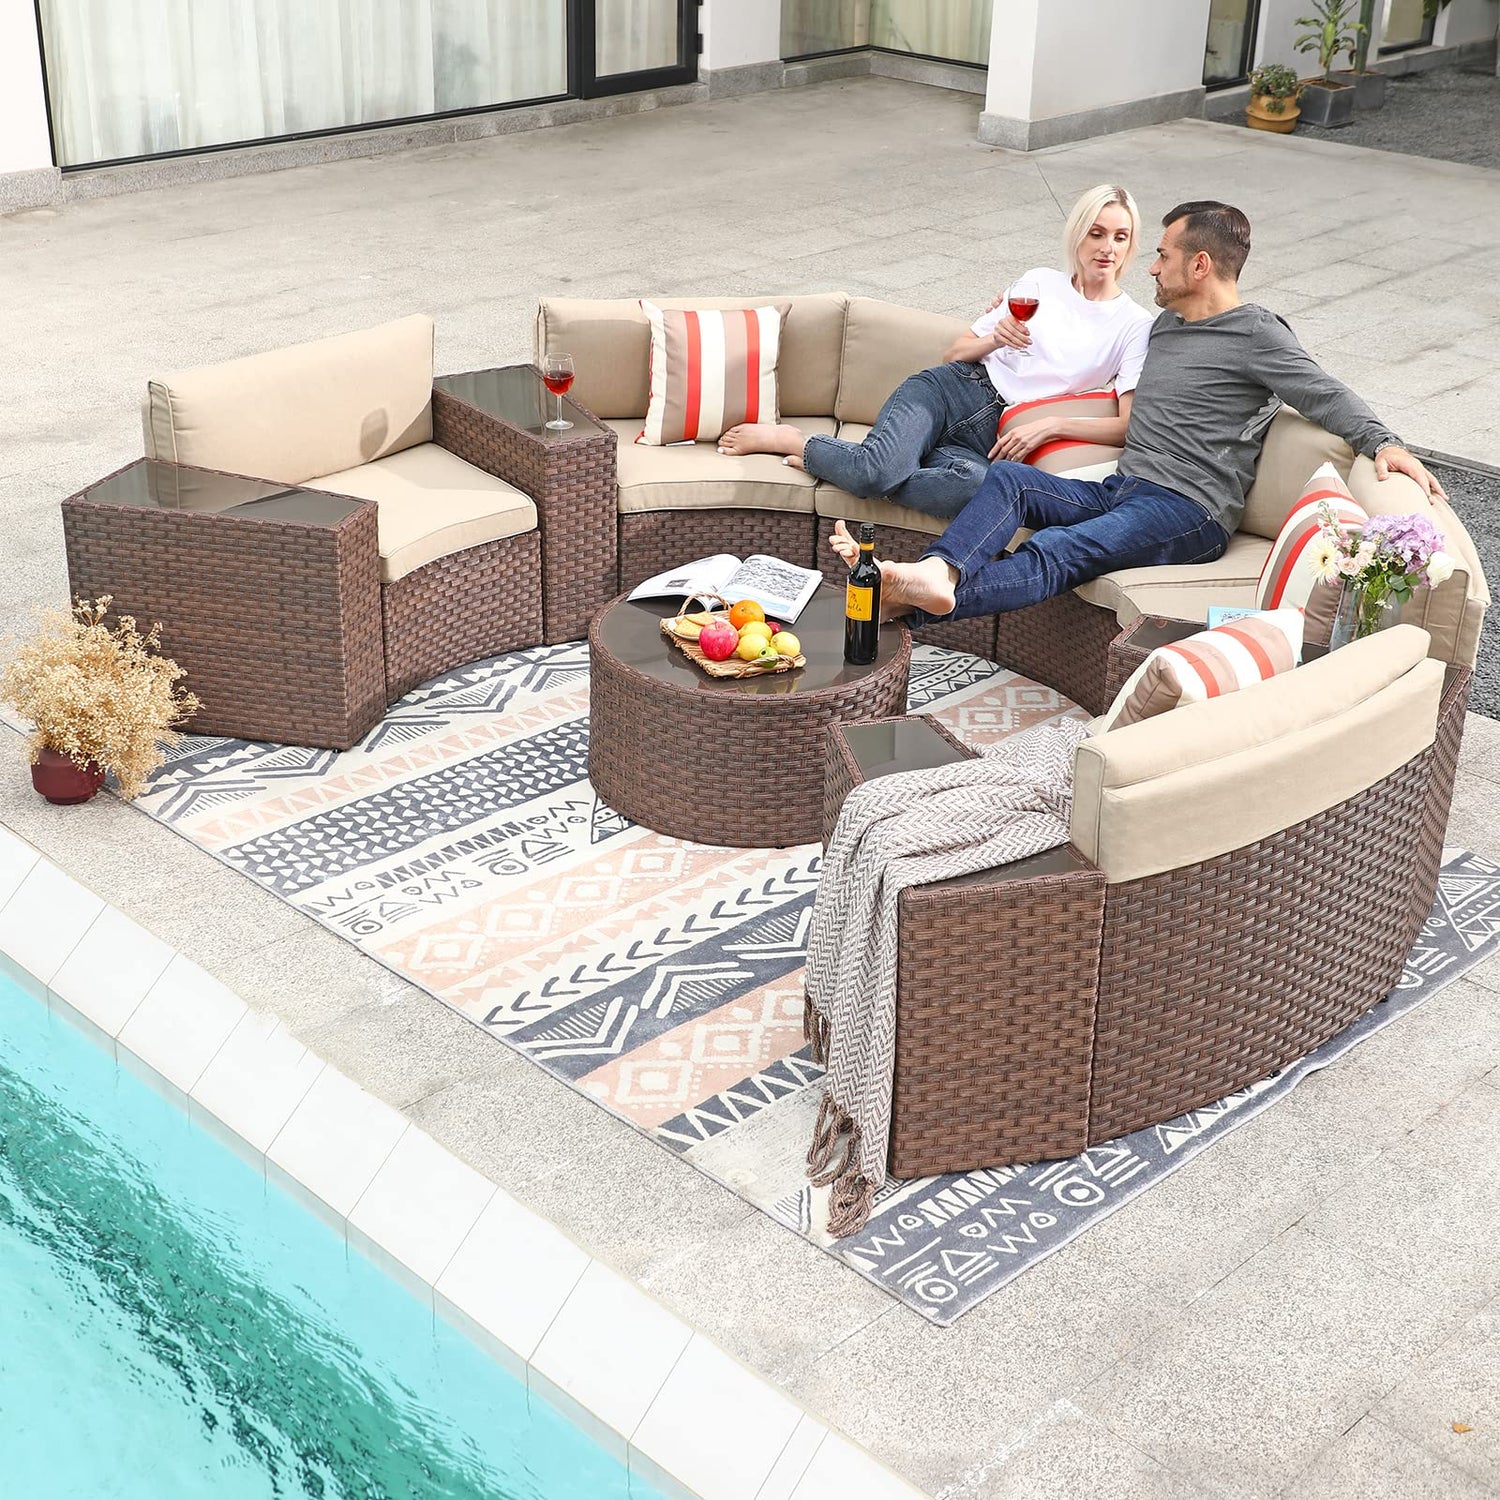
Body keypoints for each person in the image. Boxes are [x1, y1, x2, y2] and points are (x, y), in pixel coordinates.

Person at [836, 200, 1446, 623]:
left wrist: (1383, 442)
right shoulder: (1164, 328)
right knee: (1009, 482)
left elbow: (1323, 392)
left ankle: (916, 598)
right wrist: (1007, 312)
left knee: (1062, 548)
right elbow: (1085, 343)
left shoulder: (1256, 334)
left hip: (1187, 510)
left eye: (1161, 254)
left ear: (1199, 264)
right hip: (1125, 488)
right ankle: (936, 575)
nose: (1150, 266)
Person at [714, 184, 1155, 521]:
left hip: (996, 439)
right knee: (874, 474)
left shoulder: (1134, 324)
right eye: (1097, 233)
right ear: (1078, 235)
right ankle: (799, 442)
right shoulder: (1039, 282)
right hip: (953, 391)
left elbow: (1126, 426)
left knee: (975, 492)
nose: (1108, 248)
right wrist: (995, 339)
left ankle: (857, 463)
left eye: (1120, 237)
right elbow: (955, 352)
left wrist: (1051, 426)